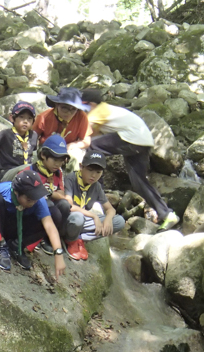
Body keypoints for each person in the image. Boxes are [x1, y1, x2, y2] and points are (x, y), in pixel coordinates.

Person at [81, 88, 179, 232]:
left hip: (132, 138)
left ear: (92, 104)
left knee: (92, 148)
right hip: (143, 141)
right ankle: (167, 214)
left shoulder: (98, 111)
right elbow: (97, 133)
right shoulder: (107, 111)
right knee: (139, 183)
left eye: (84, 105)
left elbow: (87, 138)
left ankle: (96, 196)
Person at [0, 169, 66, 277]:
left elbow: (49, 225)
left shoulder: (37, 200)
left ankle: (17, 245)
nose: (33, 202)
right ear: (16, 192)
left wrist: (58, 254)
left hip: (17, 228)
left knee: (54, 214)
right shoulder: (0, 189)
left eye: (35, 198)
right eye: (29, 199)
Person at [0, 135, 72, 255]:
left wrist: (50, 192)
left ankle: (47, 238)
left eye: (61, 161)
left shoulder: (58, 173)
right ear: (43, 155)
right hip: (28, 205)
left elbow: (61, 193)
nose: (57, 164)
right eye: (54, 160)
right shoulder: (29, 171)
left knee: (63, 205)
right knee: (48, 205)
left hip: (46, 202)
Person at [63, 151, 125, 261]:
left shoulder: (96, 186)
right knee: (77, 218)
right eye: (90, 170)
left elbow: (110, 209)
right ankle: (70, 240)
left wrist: (108, 219)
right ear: (81, 166)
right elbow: (69, 206)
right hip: (68, 220)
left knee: (119, 221)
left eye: (98, 172)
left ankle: (80, 239)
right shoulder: (71, 179)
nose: (93, 175)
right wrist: (94, 216)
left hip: (82, 221)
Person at [33, 87, 91, 169]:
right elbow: (32, 137)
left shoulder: (81, 117)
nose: (69, 113)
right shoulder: (44, 117)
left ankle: (71, 179)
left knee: (76, 155)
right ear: (57, 105)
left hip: (69, 150)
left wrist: (70, 146)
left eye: (73, 109)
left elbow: (86, 141)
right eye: (65, 108)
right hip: (48, 150)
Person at [0, 101, 38, 182]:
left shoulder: (33, 136)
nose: (25, 121)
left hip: (25, 174)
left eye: (29, 118)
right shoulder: (5, 135)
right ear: (12, 118)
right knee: (29, 169)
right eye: (21, 117)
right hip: (6, 174)